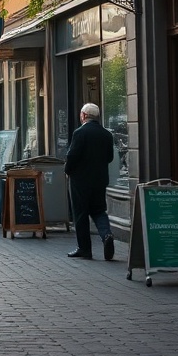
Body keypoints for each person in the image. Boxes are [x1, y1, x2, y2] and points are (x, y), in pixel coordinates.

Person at [64, 102, 115, 261]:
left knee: (81, 213)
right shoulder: (106, 134)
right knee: (99, 210)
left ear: (84, 115)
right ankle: (106, 235)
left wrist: (67, 170)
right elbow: (110, 157)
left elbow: (72, 156)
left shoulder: (80, 133)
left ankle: (85, 249)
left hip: (80, 181)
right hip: (99, 180)